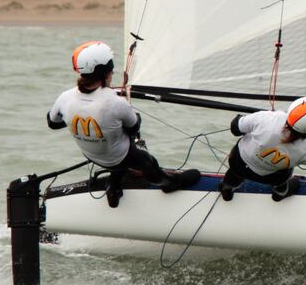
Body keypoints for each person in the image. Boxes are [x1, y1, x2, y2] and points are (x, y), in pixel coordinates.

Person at [47, 41, 200, 208]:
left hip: (91, 155)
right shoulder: (116, 102)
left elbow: (52, 123)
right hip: (119, 157)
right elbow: (134, 127)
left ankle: (113, 188)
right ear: (106, 74)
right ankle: (169, 183)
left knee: (115, 141)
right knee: (147, 161)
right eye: (111, 70)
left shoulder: (65, 97)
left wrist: (77, 119)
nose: (113, 73)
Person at [218, 96, 306, 202]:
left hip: (238, 164)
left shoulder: (267, 118)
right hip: (271, 177)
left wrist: (242, 119)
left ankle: (226, 190)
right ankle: (279, 195)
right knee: (282, 180)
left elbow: (235, 128)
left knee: (235, 172)